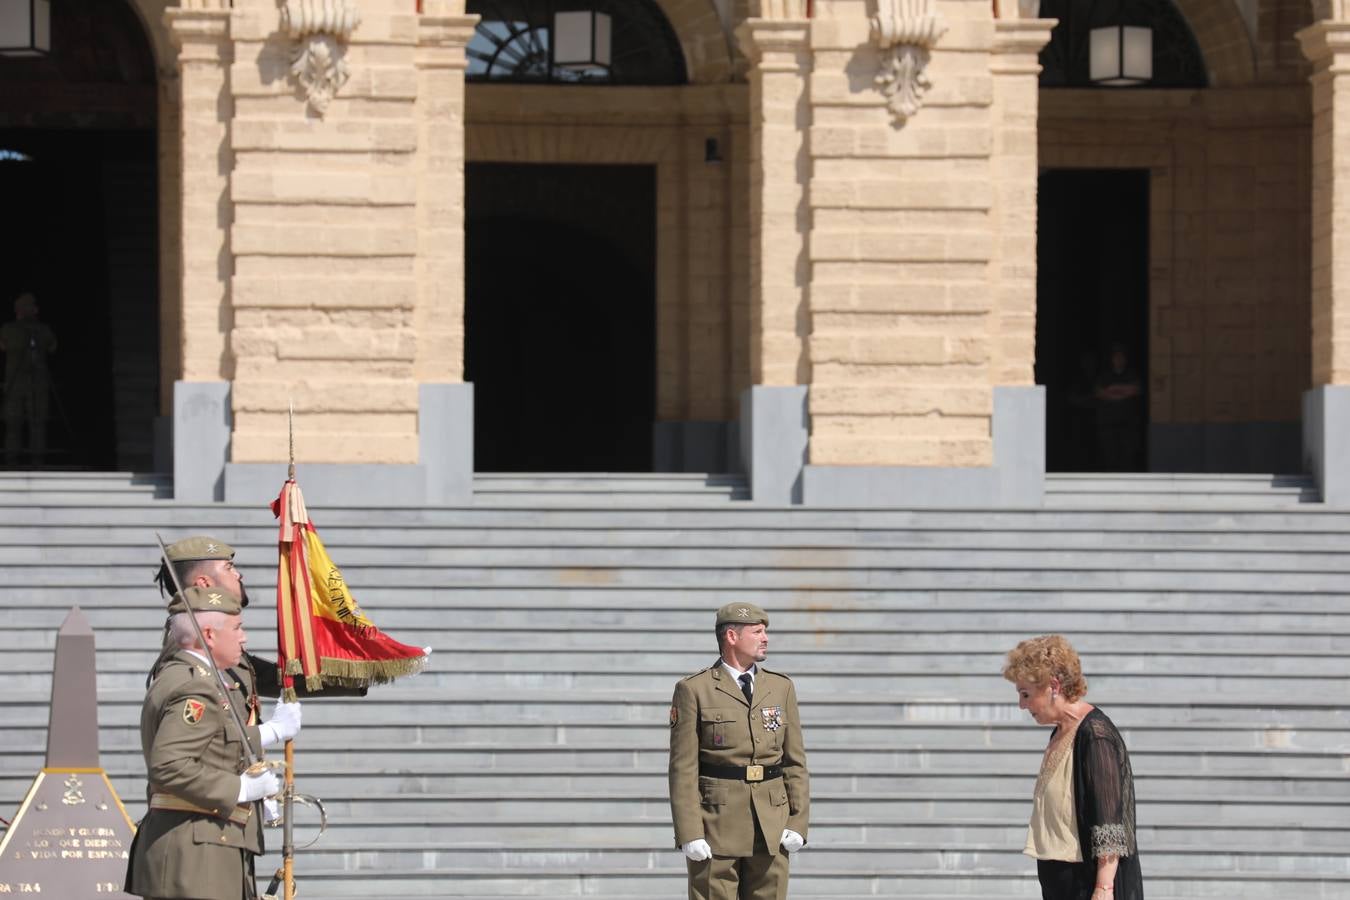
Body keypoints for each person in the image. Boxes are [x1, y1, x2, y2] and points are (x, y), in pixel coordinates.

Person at [125, 585, 303, 900]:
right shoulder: (195, 687)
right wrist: (241, 789)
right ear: (208, 635)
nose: (244, 637)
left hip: (205, 847)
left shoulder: (200, 679)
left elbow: (216, 739)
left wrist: (273, 733)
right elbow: (169, 766)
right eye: (237, 628)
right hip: (196, 856)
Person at [668, 603, 809, 900]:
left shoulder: (780, 687)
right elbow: (683, 768)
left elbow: (794, 762)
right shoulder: (695, 689)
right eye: (758, 631)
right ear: (732, 636)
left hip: (771, 824)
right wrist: (689, 831)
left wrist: (798, 821)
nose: (766, 638)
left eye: (765, 631)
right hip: (716, 824)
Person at [1003, 635, 1143, 900]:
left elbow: (1109, 821)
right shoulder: (1061, 731)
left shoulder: (1095, 735)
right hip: (1061, 883)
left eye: (1026, 694)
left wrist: (1103, 888)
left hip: (1087, 884)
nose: (1021, 705)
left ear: (1053, 686)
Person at [0, 292, 57, 466]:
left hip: (21, 382)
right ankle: (35, 461)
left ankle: (13, 460)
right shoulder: (43, 330)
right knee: (33, 423)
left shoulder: (8, 329)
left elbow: (2, 346)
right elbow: (53, 347)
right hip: (30, 382)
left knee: (16, 424)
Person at [1093, 343, 1143, 472]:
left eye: (1121, 356)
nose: (1119, 359)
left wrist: (1113, 389)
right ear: (1112, 359)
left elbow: (1136, 389)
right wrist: (1124, 392)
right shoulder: (1104, 375)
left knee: (1128, 457)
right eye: (1116, 357)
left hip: (1128, 424)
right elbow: (1099, 393)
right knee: (1110, 458)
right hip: (1109, 425)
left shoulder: (1131, 374)